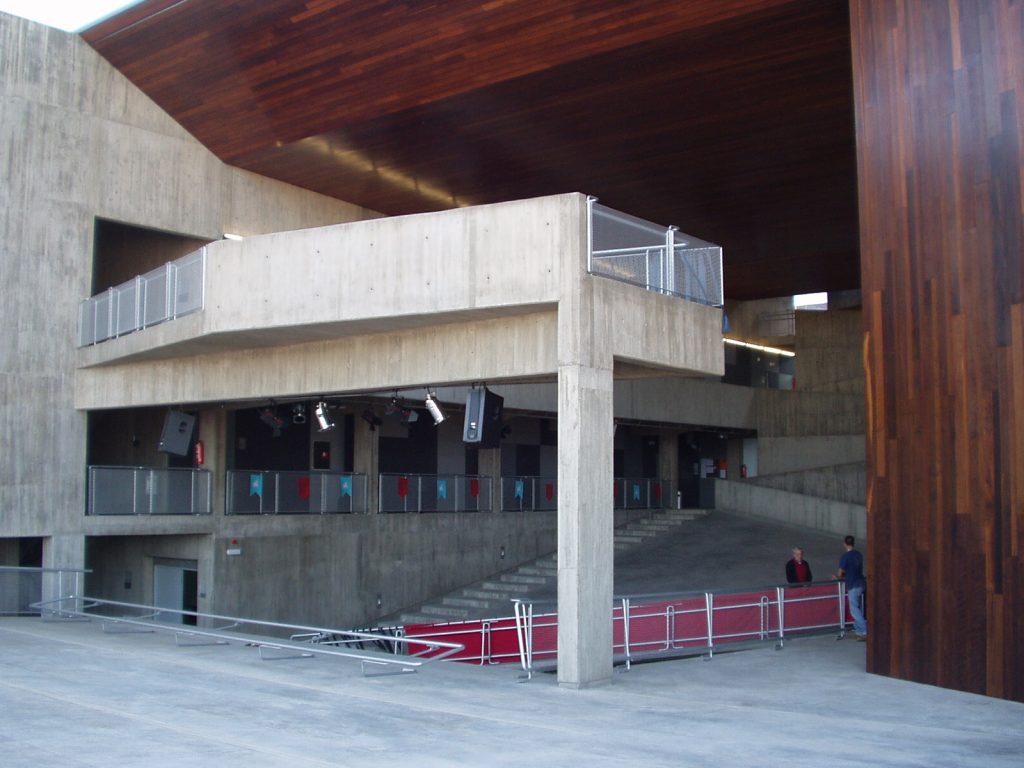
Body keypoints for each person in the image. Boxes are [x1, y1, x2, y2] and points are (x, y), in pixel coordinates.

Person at [835, 535, 867, 640]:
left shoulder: (845, 557)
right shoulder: (858, 554)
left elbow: (840, 572)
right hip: (861, 583)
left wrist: (837, 577)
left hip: (852, 584)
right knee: (857, 607)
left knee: (854, 609)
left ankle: (864, 630)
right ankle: (858, 631)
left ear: (844, 544)